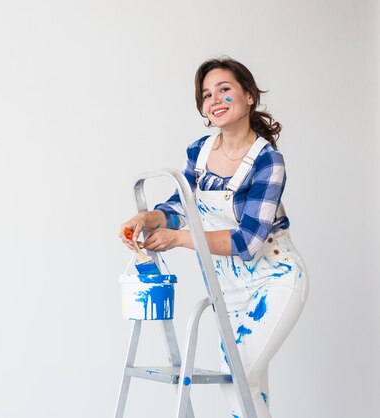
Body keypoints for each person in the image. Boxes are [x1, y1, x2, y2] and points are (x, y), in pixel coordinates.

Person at [119, 57, 309, 418]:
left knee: (238, 378)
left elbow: (249, 242)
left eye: (224, 89)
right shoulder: (201, 151)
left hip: (275, 280)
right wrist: (150, 218)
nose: (215, 100)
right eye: (206, 95)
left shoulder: (268, 162)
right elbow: (182, 205)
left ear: (249, 96)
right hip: (227, 288)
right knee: (248, 387)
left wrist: (178, 238)